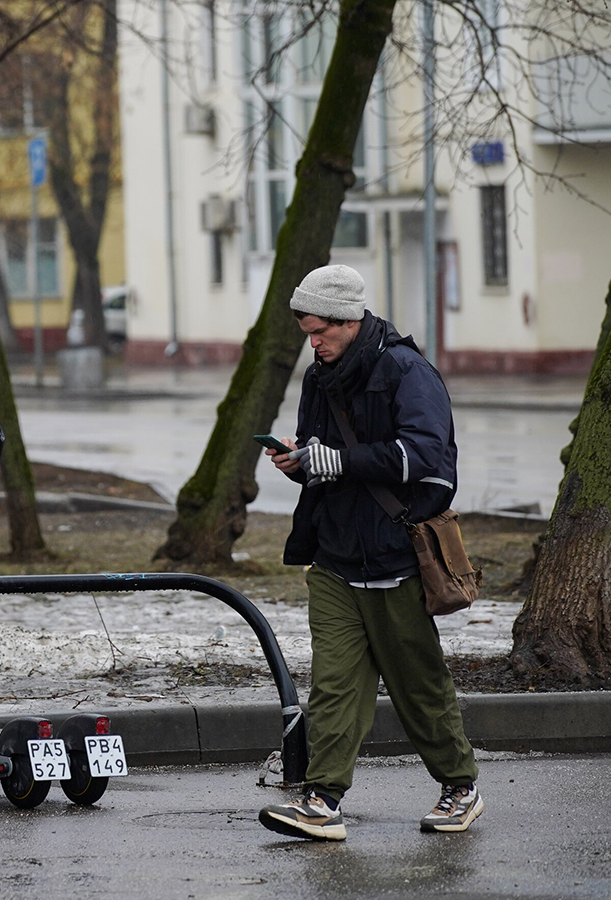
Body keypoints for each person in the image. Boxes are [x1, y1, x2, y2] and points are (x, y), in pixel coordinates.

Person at [257, 264, 482, 842]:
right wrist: (299, 462)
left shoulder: (408, 371)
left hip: (397, 558)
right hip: (334, 558)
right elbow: (322, 457)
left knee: (419, 685)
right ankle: (323, 800)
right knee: (333, 686)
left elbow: (428, 458)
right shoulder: (318, 377)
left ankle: (460, 787)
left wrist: (342, 461)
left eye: (320, 331)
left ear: (348, 320)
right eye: (308, 333)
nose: (313, 343)